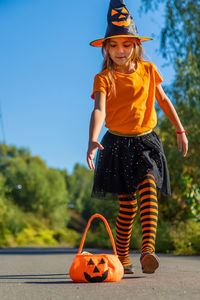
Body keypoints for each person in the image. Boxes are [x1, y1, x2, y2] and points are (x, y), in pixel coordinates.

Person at [87, 0, 188, 274]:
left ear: (136, 45)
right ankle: (122, 258)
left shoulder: (148, 70)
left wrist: (180, 129)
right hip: (116, 144)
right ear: (106, 48)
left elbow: (164, 100)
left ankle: (147, 251)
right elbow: (99, 110)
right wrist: (92, 140)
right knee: (127, 206)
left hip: (146, 141)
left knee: (148, 186)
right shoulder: (103, 78)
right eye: (114, 45)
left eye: (126, 44)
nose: (120, 51)